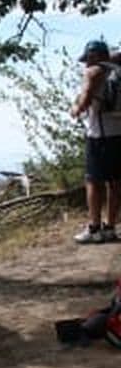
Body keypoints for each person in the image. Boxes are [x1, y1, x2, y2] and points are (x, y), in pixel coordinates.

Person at [70, 40, 121, 244]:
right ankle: (110, 228)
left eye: (87, 59)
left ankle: (93, 228)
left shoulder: (93, 72)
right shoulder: (118, 70)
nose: (85, 64)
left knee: (93, 181)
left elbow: (84, 102)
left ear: (92, 56)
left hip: (99, 135)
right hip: (119, 134)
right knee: (116, 182)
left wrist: (74, 109)